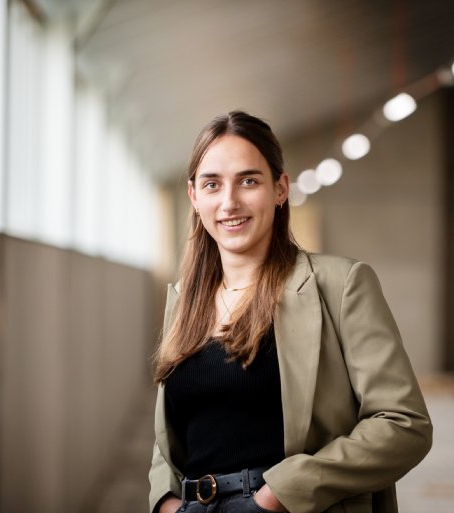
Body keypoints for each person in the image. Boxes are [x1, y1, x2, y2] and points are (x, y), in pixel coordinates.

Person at [149, 111, 432, 513]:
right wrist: (166, 501)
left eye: (249, 181)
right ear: (195, 197)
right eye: (212, 184)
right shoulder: (183, 300)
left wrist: (278, 495)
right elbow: (173, 432)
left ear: (281, 189)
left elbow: (405, 425)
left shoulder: (340, 284)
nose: (229, 202)